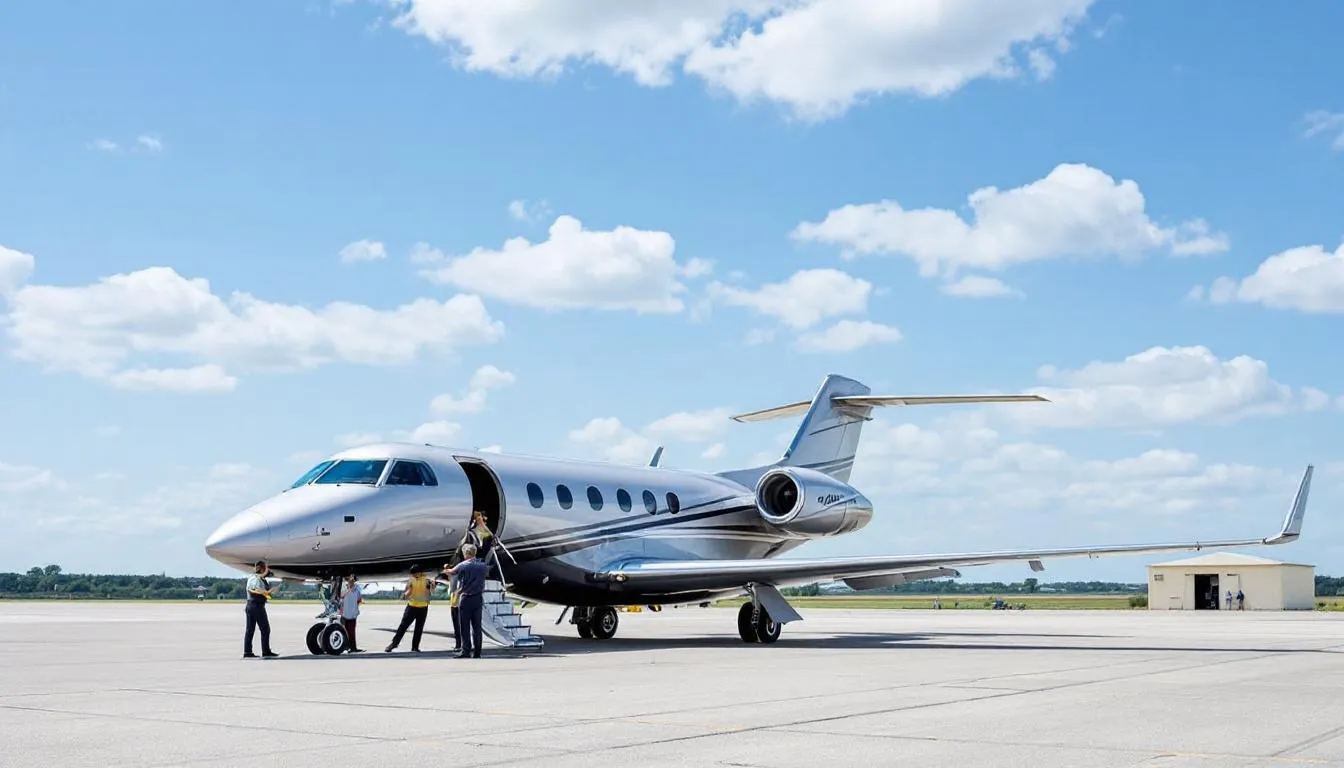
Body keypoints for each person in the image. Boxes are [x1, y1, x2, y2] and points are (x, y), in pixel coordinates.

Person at [448, 544, 488, 658]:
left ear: (466, 554)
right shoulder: (483, 566)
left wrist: (446, 569)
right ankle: (477, 652)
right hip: (478, 598)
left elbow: (452, 572)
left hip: (466, 598)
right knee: (477, 627)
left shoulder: (463, 565)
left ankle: (466, 651)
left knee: (464, 626)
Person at [384, 564, 433, 653]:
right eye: (412, 574)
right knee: (403, 626)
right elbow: (409, 590)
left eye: (414, 574)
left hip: (423, 607)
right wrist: (404, 595)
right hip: (412, 606)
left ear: (419, 572)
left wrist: (430, 589)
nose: (413, 575)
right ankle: (394, 644)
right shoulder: (411, 580)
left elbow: (429, 592)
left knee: (419, 628)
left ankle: (415, 647)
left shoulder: (427, 580)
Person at [243, 561, 278, 659]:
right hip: (257, 606)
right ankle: (266, 651)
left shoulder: (253, 578)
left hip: (250, 605)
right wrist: (267, 592)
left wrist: (267, 593)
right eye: (266, 568)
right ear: (262, 569)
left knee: (250, 630)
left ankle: (247, 651)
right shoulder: (257, 579)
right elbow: (254, 590)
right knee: (265, 629)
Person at [340, 574, 365, 653]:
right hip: (345, 615)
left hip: (352, 615)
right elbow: (341, 596)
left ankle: (353, 648)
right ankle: (347, 647)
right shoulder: (345, 589)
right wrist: (349, 589)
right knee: (345, 632)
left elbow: (359, 600)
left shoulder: (356, 591)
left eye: (353, 581)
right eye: (350, 581)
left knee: (352, 633)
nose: (352, 582)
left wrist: (357, 608)